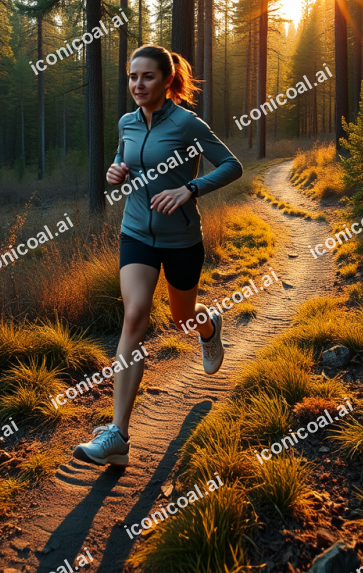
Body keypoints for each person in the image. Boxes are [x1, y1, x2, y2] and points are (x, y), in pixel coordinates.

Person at [73, 44, 243, 466]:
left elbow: (231, 165)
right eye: (133, 77)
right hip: (135, 233)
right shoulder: (127, 122)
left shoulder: (187, 124)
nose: (138, 84)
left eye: (147, 76)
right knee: (135, 316)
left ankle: (208, 326)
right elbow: (122, 158)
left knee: (183, 319)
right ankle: (118, 436)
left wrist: (190, 189)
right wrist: (115, 171)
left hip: (181, 238)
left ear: (167, 81)